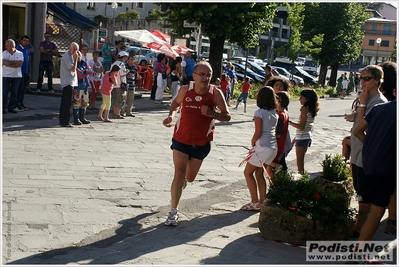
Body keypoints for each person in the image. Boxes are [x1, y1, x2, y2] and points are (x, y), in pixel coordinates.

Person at [162, 61, 231, 226]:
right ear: (194, 76)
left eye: (208, 75)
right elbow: (175, 104)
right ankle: (173, 212)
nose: (205, 78)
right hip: (181, 138)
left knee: (190, 177)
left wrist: (212, 114)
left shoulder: (215, 93)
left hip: (201, 142)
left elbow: (227, 116)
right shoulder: (185, 90)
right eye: (202, 74)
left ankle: (184, 182)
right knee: (179, 172)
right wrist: (171, 115)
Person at [344, 65, 387, 238]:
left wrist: (361, 104)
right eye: (361, 78)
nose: (363, 82)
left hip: (366, 156)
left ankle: (360, 228)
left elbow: (363, 129)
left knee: (364, 194)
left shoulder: (378, 102)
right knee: (359, 189)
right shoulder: (367, 98)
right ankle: (360, 221)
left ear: (377, 80)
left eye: (367, 78)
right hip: (358, 152)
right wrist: (356, 112)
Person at [353, 88, 396, 242]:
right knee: (377, 210)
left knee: (368, 203)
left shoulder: (379, 108)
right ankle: (358, 252)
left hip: (369, 162)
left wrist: (370, 146)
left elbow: (358, 131)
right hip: (387, 167)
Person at [240, 86, 278, 211]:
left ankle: (255, 201)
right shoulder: (274, 113)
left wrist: (253, 140)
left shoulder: (259, 113)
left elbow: (258, 132)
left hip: (263, 147)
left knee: (248, 172)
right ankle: (262, 201)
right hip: (273, 147)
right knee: (259, 173)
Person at [289, 88, 320, 174]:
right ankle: (302, 177)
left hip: (302, 137)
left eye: (301, 97)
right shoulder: (311, 109)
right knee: (301, 160)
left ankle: (301, 179)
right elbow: (307, 126)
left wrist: (290, 122)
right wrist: (295, 138)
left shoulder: (305, 109)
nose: (299, 99)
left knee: (299, 162)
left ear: (307, 99)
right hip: (306, 136)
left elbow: (301, 126)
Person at [266, 91, 290, 176]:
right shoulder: (285, 113)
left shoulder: (280, 115)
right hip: (281, 145)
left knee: (268, 166)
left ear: (278, 101)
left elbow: (278, 134)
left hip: (277, 145)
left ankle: (275, 186)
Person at [59, 42, 81, 128]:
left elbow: (79, 61)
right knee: (66, 104)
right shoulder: (67, 56)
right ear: (69, 48)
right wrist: (75, 59)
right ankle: (65, 121)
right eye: (74, 49)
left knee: (67, 103)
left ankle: (64, 120)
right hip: (67, 82)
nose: (75, 51)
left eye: (76, 49)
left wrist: (78, 57)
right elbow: (72, 69)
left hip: (71, 82)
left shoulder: (71, 56)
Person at [2, 39, 23, 114]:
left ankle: (11, 107)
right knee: (5, 92)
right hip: (5, 75)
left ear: (12, 45)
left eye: (7, 45)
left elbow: (19, 64)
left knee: (14, 92)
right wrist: (14, 62)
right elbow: (3, 62)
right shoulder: (3, 53)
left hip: (16, 76)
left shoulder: (19, 53)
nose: (5, 47)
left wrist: (8, 63)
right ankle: (3, 108)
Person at [72, 59, 93, 125]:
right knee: (77, 103)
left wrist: (85, 71)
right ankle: (76, 119)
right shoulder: (74, 64)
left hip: (85, 86)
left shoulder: (84, 63)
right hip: (78, 86)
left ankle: (82, 118)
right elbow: (79, 74)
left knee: (85, 103)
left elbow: (91, 71)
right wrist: (86, 72)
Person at [110, 51, 129, 119]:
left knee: (114, 99)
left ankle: (114, 113)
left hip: (114, 84)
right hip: (120, 84)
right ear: (123, 57)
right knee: (120, 100)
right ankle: (117, 113)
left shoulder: (114, 63)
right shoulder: (122, 64)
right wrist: (127, 72)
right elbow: (122, 74)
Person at [16, 35, 31, 111]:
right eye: (24, 40)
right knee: (19, 89)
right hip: (19, 72)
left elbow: (28, 61)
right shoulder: (17, 50)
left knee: (23, 89)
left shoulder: (27, 50)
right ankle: (17, 103)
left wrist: (29, 72)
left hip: (26, 72)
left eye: (27, 41)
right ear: (21, 41)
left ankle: (21, 102)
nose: (25, 42)